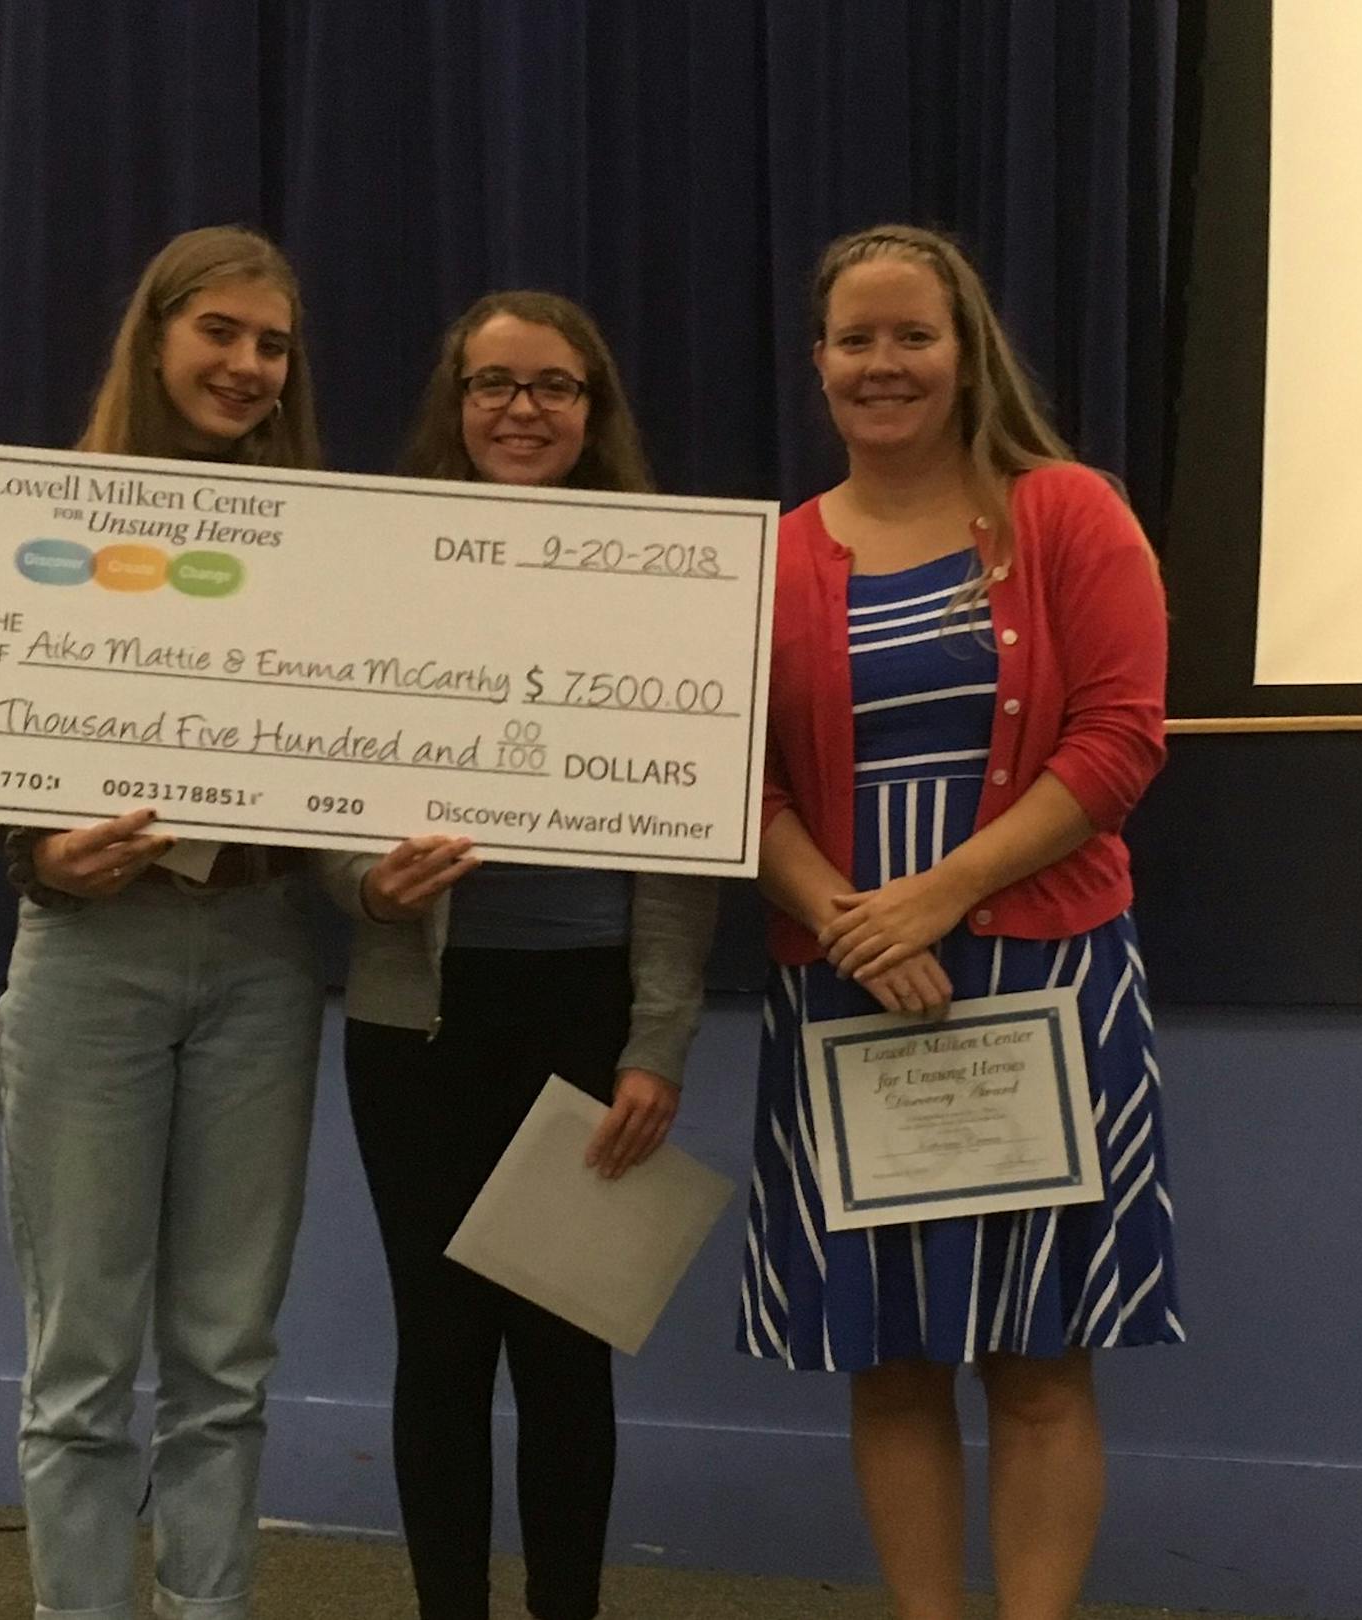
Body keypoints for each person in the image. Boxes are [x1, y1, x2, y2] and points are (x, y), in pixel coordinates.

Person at [741, 223, 1181, 1620]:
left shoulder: (1068, 512)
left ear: (964, 350)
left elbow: (1119, 744)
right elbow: (729, 781)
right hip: (848, 990)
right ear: (818, 366)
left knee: (1041, 1361)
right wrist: (851, 920)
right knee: (896, 1353)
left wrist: (941, 895)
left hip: (1045, 982)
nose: (885, 364)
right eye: (856, 340)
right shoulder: (777, 556)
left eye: (911, 336)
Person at [315, 290, 719, 1620]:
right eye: (494, 384)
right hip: (415, 1020)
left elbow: (682, 838)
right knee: (439, 1350)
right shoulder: (381, 569)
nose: (522, 409)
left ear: (594, 411)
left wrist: (656, 1037)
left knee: (563, 1353)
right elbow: (311, 770)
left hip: (582, 1009)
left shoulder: (666, 580)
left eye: (553, 386)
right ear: (456, 401)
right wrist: (363, 883)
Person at [0, 225, 325, 1620]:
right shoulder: (40, 518)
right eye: (223, 334)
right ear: (157, 336)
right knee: (79, 1368)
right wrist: (39, 849)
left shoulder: (331, 540)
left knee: (226, 1361)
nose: (248, 366)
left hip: (263, 957)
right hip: (90, 957)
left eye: (274, 345)